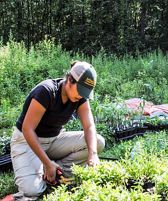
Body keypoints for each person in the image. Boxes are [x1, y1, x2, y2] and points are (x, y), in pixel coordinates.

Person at [10, 61, 105, 200]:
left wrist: (93, 154)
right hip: (26, 141)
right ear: (69, 80)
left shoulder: (80, 97)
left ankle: (55, 169)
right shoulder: (46, 91)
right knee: (32, 191)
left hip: (53, 139)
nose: (81, 96)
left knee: (97, 142)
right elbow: (27, 129)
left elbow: (89, 126)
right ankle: (45, 167)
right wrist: (48, 163)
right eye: (80, 90)